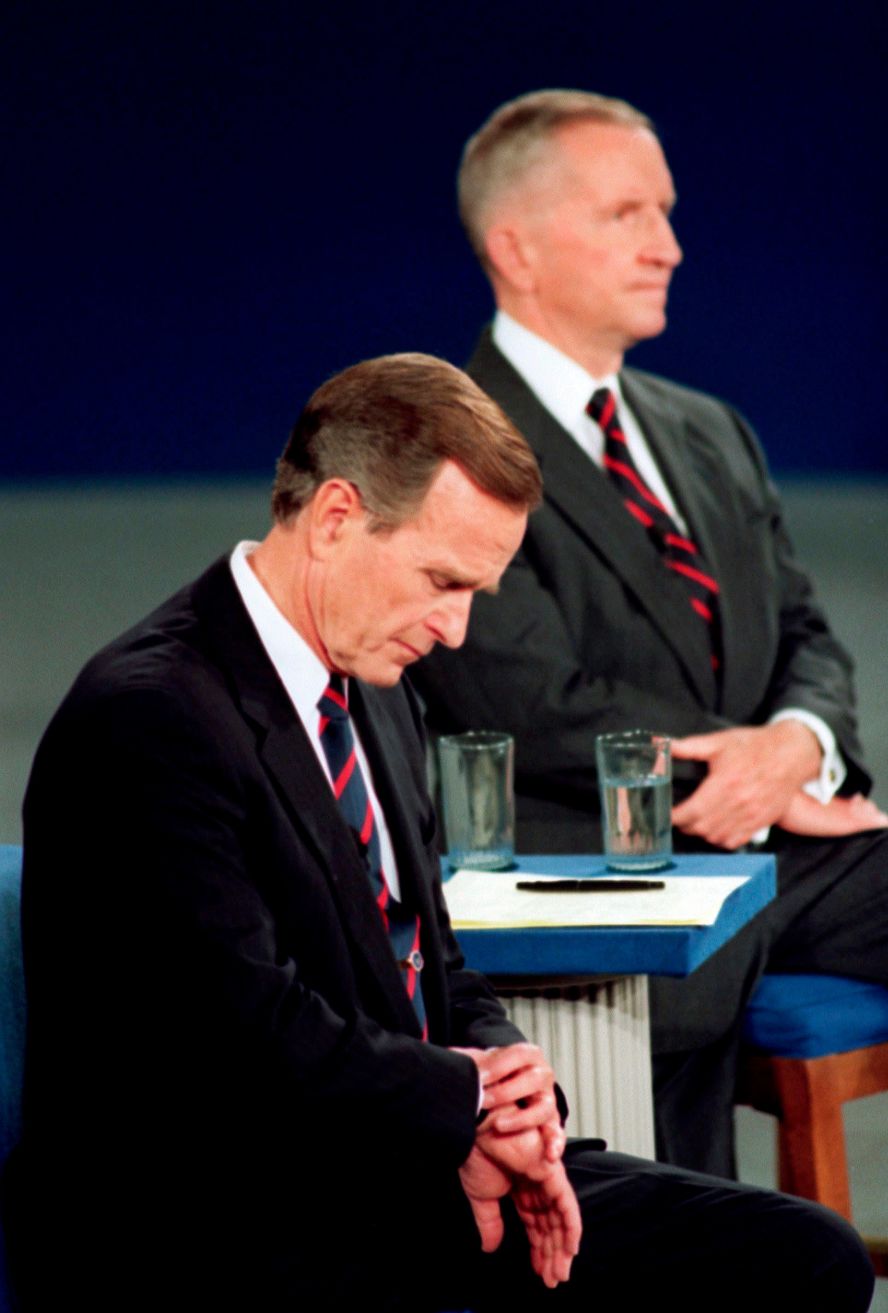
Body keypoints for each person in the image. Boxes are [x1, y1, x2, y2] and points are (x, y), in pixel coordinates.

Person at [4, 353, 872, 1311]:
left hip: (400, 1173)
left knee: (804, 1256)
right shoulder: (150, 718)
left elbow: (436, 962)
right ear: (335, 518)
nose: (456, 632)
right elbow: (242, 1036)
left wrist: (515, 1093)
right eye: (443, 580)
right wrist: (465, 1108)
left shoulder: (374, 689)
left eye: (476, 595)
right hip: (222, 1229)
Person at [412, 89, 888, 1175]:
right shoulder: (445, 443)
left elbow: (809, 630)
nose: (669, 245)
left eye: (667, 212)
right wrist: (754, 767)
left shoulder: (708, 428)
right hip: (599, 865)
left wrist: (798, 746)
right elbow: (529, 698)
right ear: (516, 247)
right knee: (686, 1244)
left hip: (776, 851)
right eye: (629, 214)